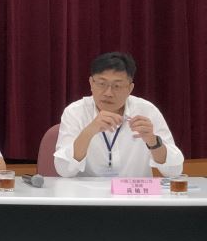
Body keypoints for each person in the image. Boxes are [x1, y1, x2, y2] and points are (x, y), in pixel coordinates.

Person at [54, 52, 183, 178]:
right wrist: (89, 131)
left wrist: (153, 142)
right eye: (102, 84)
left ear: (130, 88)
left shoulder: (147, 111)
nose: (108, 93)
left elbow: (174, 171)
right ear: (91, 83)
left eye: (117, 86)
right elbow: (64, 170)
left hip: (134, 191)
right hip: (88, 191)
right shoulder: (75, 112)